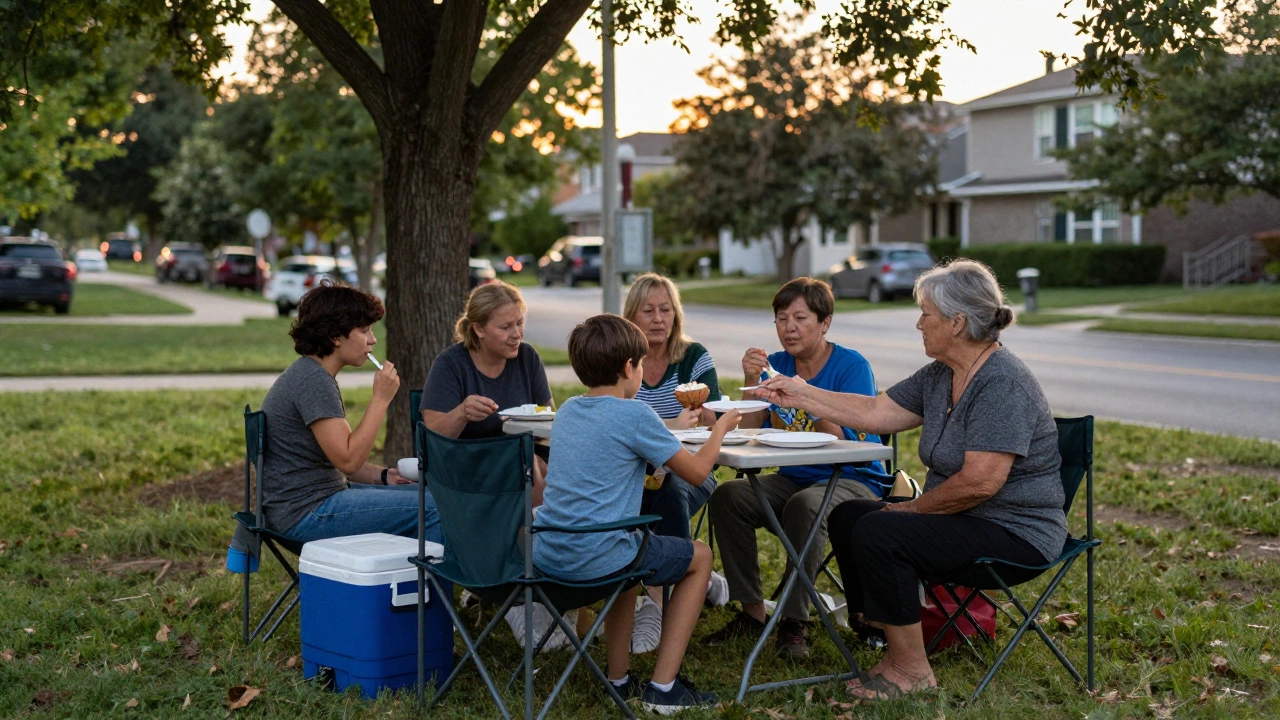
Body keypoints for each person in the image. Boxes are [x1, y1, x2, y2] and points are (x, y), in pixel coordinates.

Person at [755, 259, 1067, 700]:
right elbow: (875, 411)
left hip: (1015, 531)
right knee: (849, 516)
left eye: (926, 313)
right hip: (966, 519)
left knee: (885, 529)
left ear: (957, 323)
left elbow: (980, 483)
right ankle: (881, 631)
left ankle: (912, 669)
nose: (918, 323)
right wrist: (799, 391)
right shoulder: (942, 374)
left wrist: (911, 509)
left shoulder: (1002, 382)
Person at [533, 314, 741, 713]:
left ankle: (619, 678)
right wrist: (721, 429)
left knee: (629, 557)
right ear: (629, 368)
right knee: (700, 557)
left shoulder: (570, 412)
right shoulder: (636, 414)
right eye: (641, 365)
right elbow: (697, 473)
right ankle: (663, 689)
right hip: (597, 557)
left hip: (549, 552)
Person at [706, 277, 891, 658]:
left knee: (806, 506)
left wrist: (807, 398)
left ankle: (794, 623)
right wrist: (751, 381)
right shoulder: (777, 364)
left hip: (854, 478)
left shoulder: (851, 366)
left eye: (800, 317)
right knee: (729, 496)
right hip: (794, 475)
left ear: (825, 323)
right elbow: (752, 430)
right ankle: (753, 612)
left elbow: (853, 443)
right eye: (781, 318)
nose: (789, 327)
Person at [419, 281, 561, 645]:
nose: (517, 334)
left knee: (547, 470)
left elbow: (546, 419)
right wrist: (463, 412)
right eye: (505, 327)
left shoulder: (527, 358)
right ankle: (526, 592)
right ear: (478, 329)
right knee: (529, 470)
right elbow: (433, 436)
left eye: (520, 323)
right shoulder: (451, 365)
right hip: (464, 472)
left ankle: (541, 585)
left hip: (525, 462)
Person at [260, 283, 442, 545]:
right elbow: (348, 461)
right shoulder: (313, 381)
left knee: (429, 495)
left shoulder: (312, 374)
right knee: (435, 507)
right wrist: (380, 399)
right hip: (306, 514)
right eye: (364, 330)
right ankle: (427, 586)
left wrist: (383, 476)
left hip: (313, 502)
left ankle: (409, 581)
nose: (373, 339)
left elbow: (336, 459)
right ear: (336, 336)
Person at [622, 273, 730, 651]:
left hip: (691, 470)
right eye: (648, 310)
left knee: (669, 491)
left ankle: (657, 602)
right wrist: (668, 425)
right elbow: (617, 421)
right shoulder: (623, 362)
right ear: (631, 315)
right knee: (633, 493)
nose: (658, 318)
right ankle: (701, 578)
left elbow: (715, 419)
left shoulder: (694, 358)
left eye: (665, 309)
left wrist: (709, 418)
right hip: (634, 474)